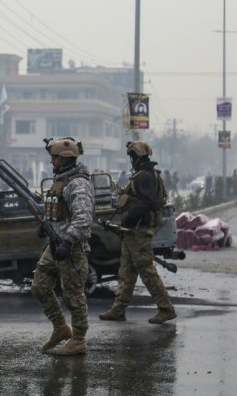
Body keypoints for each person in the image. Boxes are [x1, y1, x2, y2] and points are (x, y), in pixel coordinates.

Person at [99, 141, 176, 325]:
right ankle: (118, 309)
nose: (131, 160)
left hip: (139, 230)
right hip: (133, 231)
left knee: (146, 271)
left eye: (133, 156)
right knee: (126, 271)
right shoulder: (144, 175)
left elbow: (147, 201)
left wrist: (129, 219)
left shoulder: (145, 177)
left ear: (139, 157)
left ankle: (165, 308)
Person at [32, 137, 95, 356]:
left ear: (66, 158)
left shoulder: (78, 183)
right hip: (54, 246)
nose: (52, 162)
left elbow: (83, 217)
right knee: (39, 286)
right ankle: (60, 328)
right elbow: (57, 211)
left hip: (71, 248)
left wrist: (68, 241)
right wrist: (45, 226)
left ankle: (78, 340)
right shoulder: (61, 180)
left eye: (55, 158)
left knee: (73, 296)